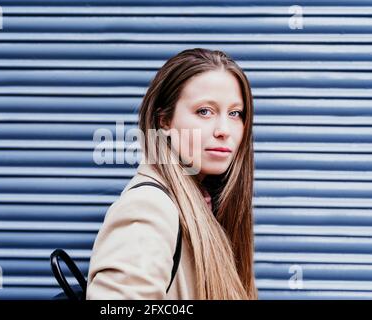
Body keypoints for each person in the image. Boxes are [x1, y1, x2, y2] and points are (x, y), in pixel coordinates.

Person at [86, 48, 258, 300]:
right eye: (204, 111)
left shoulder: (204, 203)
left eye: (235, 113)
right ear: (164, 121)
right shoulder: (149, 208)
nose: (224, 130)